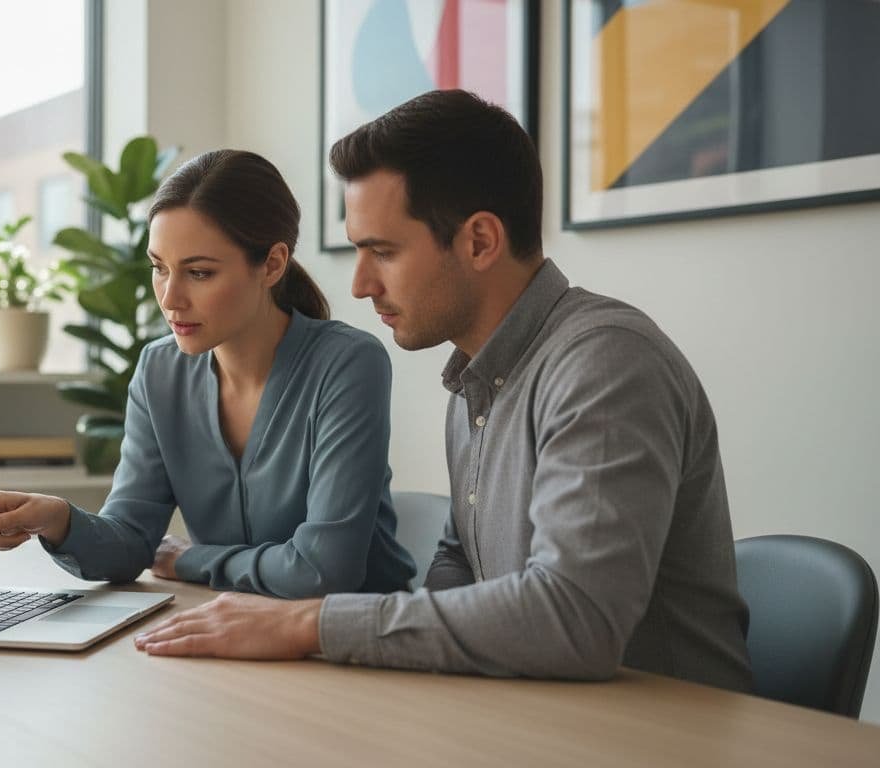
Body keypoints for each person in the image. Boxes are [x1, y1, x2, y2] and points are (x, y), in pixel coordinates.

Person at [131, 90, 753, 693]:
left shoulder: (605, 362)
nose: (360, 285)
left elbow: (576, 617)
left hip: (661, 731)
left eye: (382, 252)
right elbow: (460, 565)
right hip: (536, 714)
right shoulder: (476, 380)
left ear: (480, 241)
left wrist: (307, 624)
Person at [0, 149, 416, 599]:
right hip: (231, 627)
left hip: (356, 640)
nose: (170, 299)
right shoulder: (160, 370)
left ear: (272, 265)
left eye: (199, 273)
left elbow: (322, 570)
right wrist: (59, 520)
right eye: (159, 268)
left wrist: (192, 559)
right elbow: (131, 542)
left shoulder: (347, 363)